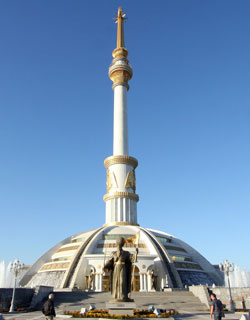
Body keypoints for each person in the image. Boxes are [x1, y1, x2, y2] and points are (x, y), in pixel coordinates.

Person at [104, 237, 138, 302]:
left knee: (122, 281)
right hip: (116, 268)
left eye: (120, 243)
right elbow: (109, 262)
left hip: (123, 268)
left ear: (122, 244)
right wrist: (106, 266)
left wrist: (136, 253)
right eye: (118, 243)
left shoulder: (126, 253)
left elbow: (132, 259)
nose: (119, 245)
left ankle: (123, 296)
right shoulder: (113, 253)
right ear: (117, 244)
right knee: (116, 282)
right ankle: (115, 296)